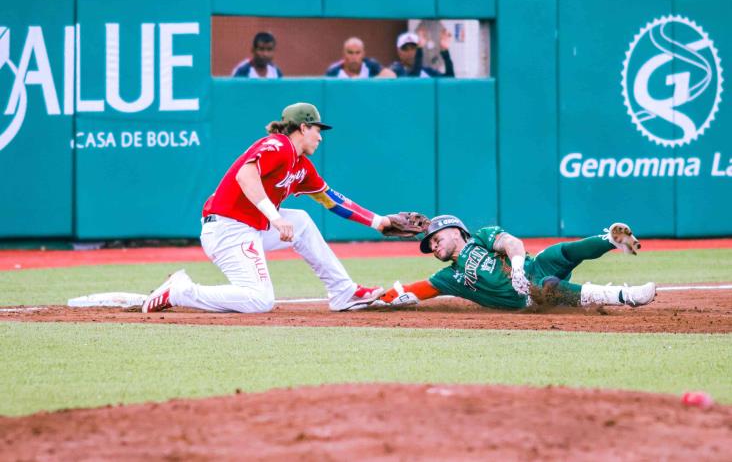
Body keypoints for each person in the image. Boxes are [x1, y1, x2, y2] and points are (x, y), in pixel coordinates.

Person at [142, 102, 423, 314]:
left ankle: (343, 292)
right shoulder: (277, 145)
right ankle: (181, 292)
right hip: (227, 228)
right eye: (317, 129)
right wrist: (275, 218)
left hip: (248, 227)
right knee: (260, 300)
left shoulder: (301, 165)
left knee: (300, 221)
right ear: (303, 127)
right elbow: (245, 175)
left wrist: (379, 222)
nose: (320, 137)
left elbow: (331, 199)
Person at [378, 215, 657, 310]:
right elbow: (417, 289)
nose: (432, 245)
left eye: (435, 238)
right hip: (528, 298)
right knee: (549, 287)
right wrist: (382, 298)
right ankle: (627, 296)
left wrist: (519, 267)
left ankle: (612, 239)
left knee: (559, 253)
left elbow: (511, 243)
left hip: (532, 269)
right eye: (429, 246)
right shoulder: (450, 276)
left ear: (455, 230)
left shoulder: (480, 237)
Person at [390, 29, 455, 78]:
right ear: (399, 52)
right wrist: (420, 50)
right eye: (405, 49)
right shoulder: (395, 69)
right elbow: (413, 80)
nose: (410, 52)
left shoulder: (426, 70)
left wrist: (445, 52)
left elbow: (449, 81)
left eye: (413, 48)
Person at [325, 37, 396, 78]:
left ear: (363, 54)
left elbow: (392, 75)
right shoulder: (333, 71)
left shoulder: (370, 65)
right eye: (350, 52)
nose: (354, 57)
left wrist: (364, 83)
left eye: (357, 53)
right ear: (344, 54)